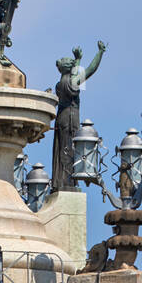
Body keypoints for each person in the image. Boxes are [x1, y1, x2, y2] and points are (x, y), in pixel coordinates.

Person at [51, 41, 106, 191]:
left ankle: (60, 181)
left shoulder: (59, 83)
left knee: (62, 147)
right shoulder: (73, 82)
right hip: (71, 117)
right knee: (70, 147)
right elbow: (90, 69)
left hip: (60, 117)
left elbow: (76, 72)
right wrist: (100, 53)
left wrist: (77, 60)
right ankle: (68, 181)